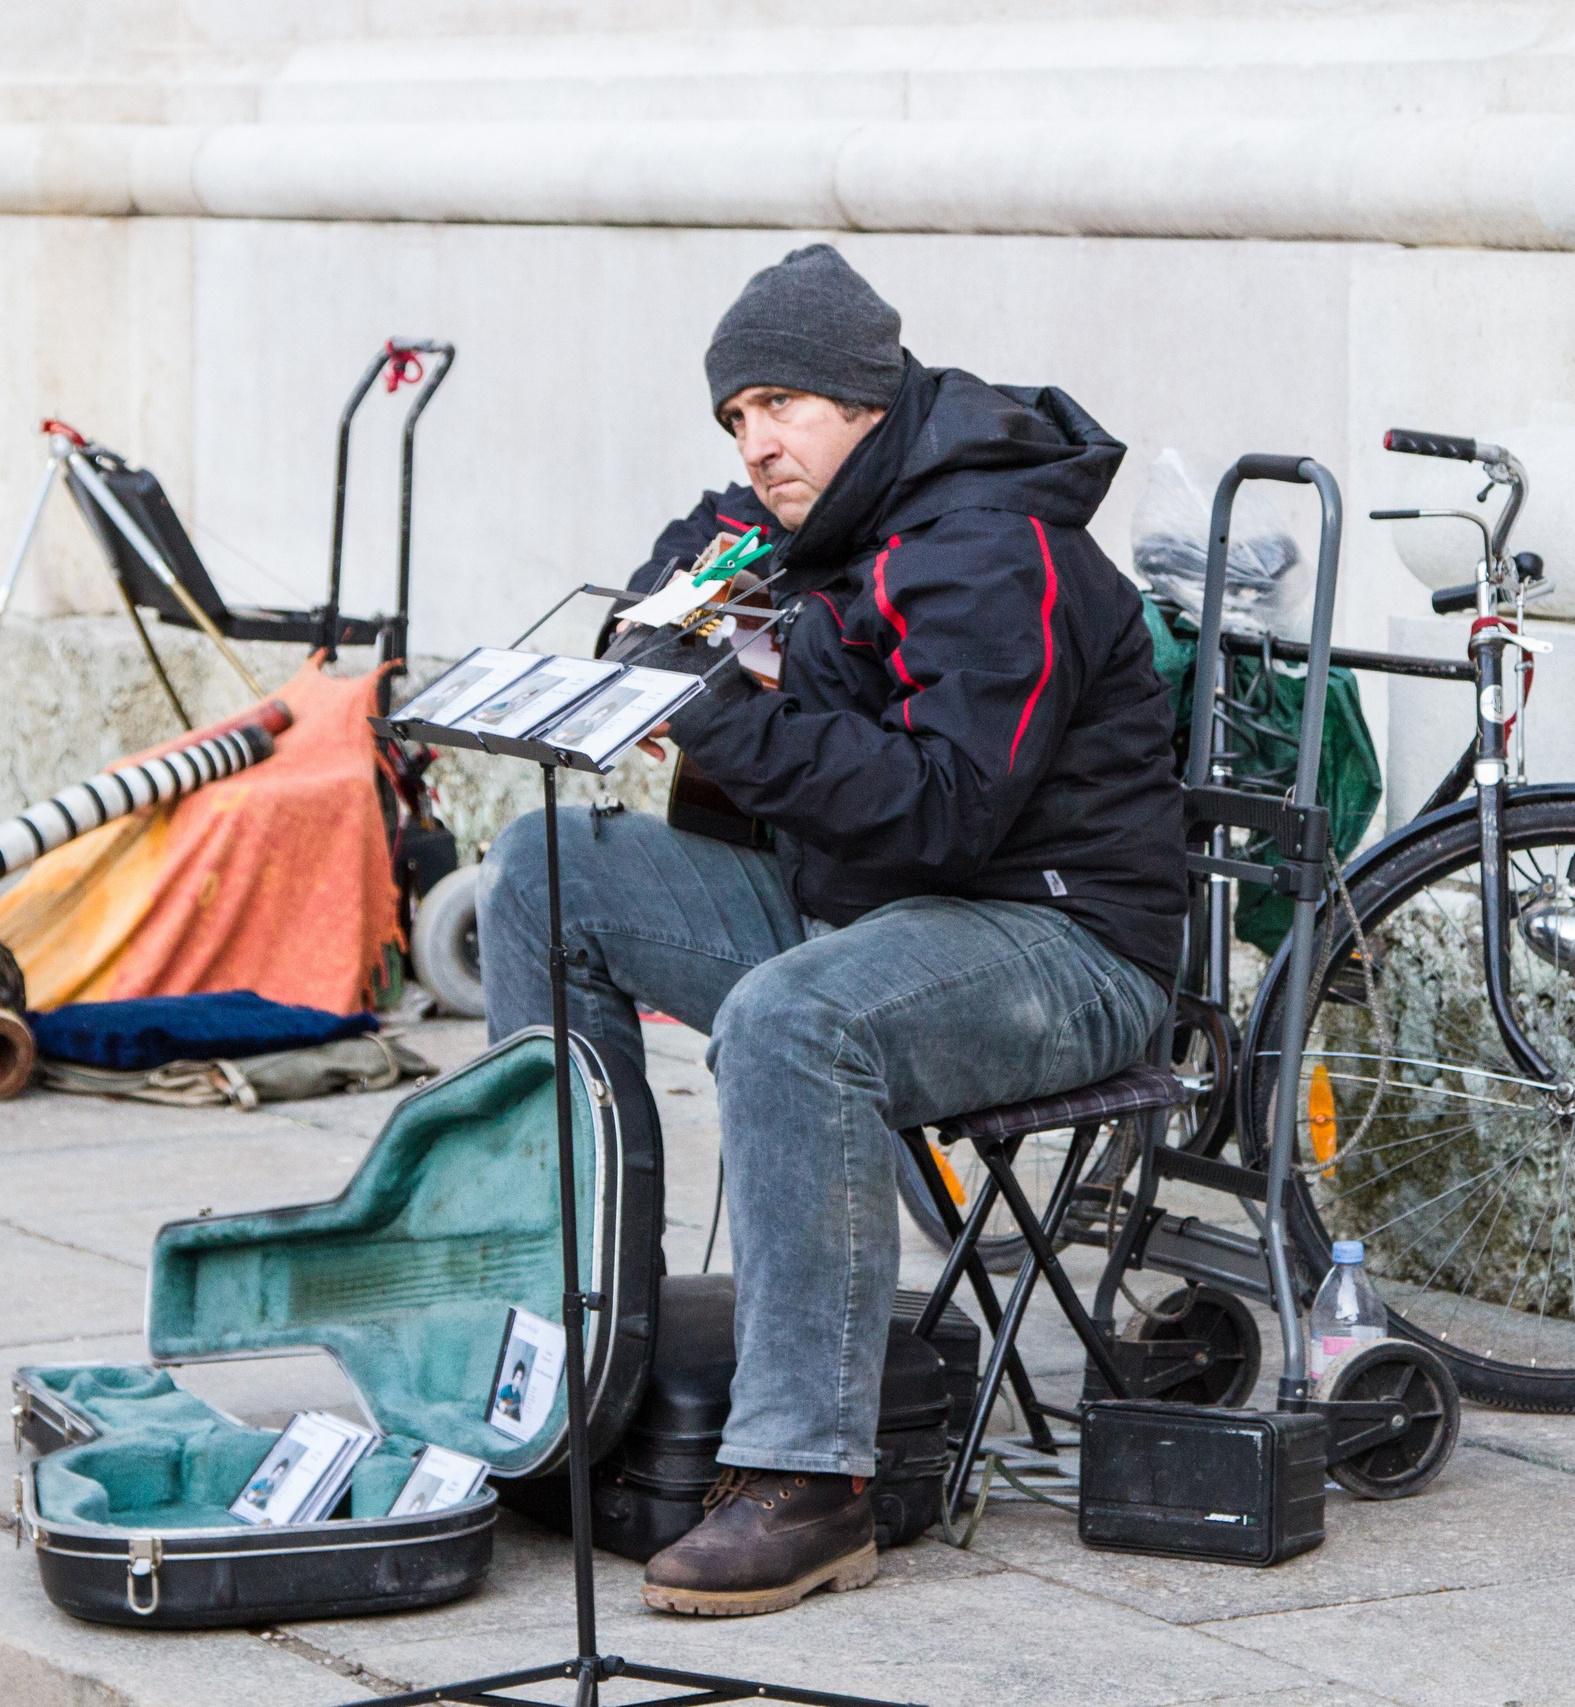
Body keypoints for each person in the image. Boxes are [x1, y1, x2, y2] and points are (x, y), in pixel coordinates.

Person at [478, 244, 1185, 1616]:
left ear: (865, 395)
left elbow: (947, 816)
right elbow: (682, 589)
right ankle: (577, 1337)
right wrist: (681, 599)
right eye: (736, 417)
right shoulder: (821, 515)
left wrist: (725, 717)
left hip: (1060, 944)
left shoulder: (990, 541)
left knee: (797, 1023)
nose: (756, 444)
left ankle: (808, 1476)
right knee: (538, 870)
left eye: (781, 407)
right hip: (866, 912)